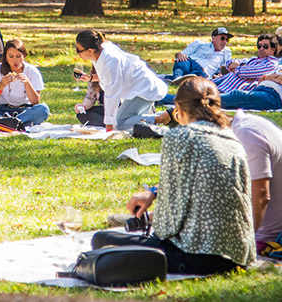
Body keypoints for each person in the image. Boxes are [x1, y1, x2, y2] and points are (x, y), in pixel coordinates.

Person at [90, 77, 255, 275]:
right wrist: (154, 192)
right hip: (239, 255)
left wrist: (151, 225)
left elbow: (168, 224)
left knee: (101, 240)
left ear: (178, 109)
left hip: (195, 255)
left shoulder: (180, 137)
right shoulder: (233, 140)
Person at [230, 111, 282, 252]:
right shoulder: (248, 123)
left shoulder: (246, 135)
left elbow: (261, 195)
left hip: (270, 237)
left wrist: (244, 242)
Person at [74, 30, 167, 131]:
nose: (77, 53)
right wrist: (91, 78)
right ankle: (154, 117)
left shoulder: (110, 61)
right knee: (124, 121)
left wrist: (109, 126)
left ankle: (161, 117)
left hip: (143, 89)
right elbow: (108, 75)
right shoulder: (100, 51)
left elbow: (112, 95)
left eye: (79, 50)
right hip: (135, 90)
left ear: (90, 50)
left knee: (120, 124)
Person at [0, 39, 49, 126]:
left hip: (24, 111)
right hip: (1, 110)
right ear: (6, 57)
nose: (15, 60)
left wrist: (27, 83)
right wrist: (1, 85)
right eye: (11, 56)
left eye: (18, 56)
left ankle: (8, 122)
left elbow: (35, 102)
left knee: (43, 109)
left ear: (24, 56)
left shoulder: (32, 71)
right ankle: (9, 122)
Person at [220, 42, 282, 111]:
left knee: (237, 95)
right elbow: (262, 78)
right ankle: (211, 102)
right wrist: (275, 77)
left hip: (276, 98)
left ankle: (207, 100)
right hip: (262, 91)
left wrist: (270, 77)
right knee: (235, 101)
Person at [167, 27, 234, 81]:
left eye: (227, 39)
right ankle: (177, 78)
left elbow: (226, 68)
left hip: (203, 72)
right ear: (214, 38)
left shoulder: (226, 52)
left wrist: (219, 74)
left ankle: (171, 78)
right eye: (222, 38)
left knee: (194, 77)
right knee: (183, 62)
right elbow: (181, 54)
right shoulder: (200, 44)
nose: (225, 42)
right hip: (191, 62)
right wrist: (179, 55)